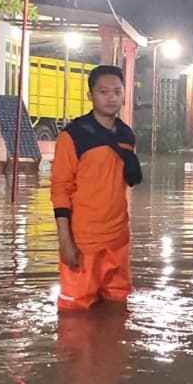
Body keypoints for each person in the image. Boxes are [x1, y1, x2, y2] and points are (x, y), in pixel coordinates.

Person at [51, 64, 143, 311]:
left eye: (117, 91)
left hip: (117, 238)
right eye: (103, 91)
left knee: (117, 309)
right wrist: (65, 240)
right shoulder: (73, 136)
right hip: (83, 241)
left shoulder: (126, 135)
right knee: (75, 315)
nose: (111, 97)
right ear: (90, 95)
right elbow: (60, 189)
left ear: (124, 95)